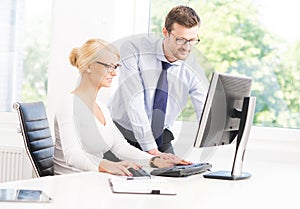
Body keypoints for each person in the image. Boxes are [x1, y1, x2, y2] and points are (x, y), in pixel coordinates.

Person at [53, 38, 186, 176]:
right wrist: (108, 165)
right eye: (108, 66)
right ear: (89, 66)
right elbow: (72, 155)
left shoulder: (102, 108)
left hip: (93, 182)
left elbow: (121, 147)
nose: (114, 72)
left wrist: (155, 160)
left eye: (116, 66)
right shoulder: (69, 105)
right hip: (71, 186)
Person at [109, 5, 209, 156]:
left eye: (192, 40)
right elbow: (134, 102)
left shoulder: (193, 67)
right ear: (165, 32)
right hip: (122, 133)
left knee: (177, 174)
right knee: (130, 176)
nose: (187, 47)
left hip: (160, 136)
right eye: (181, 40)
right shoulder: (134, 49)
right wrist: (153, 152)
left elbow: (204, 109)